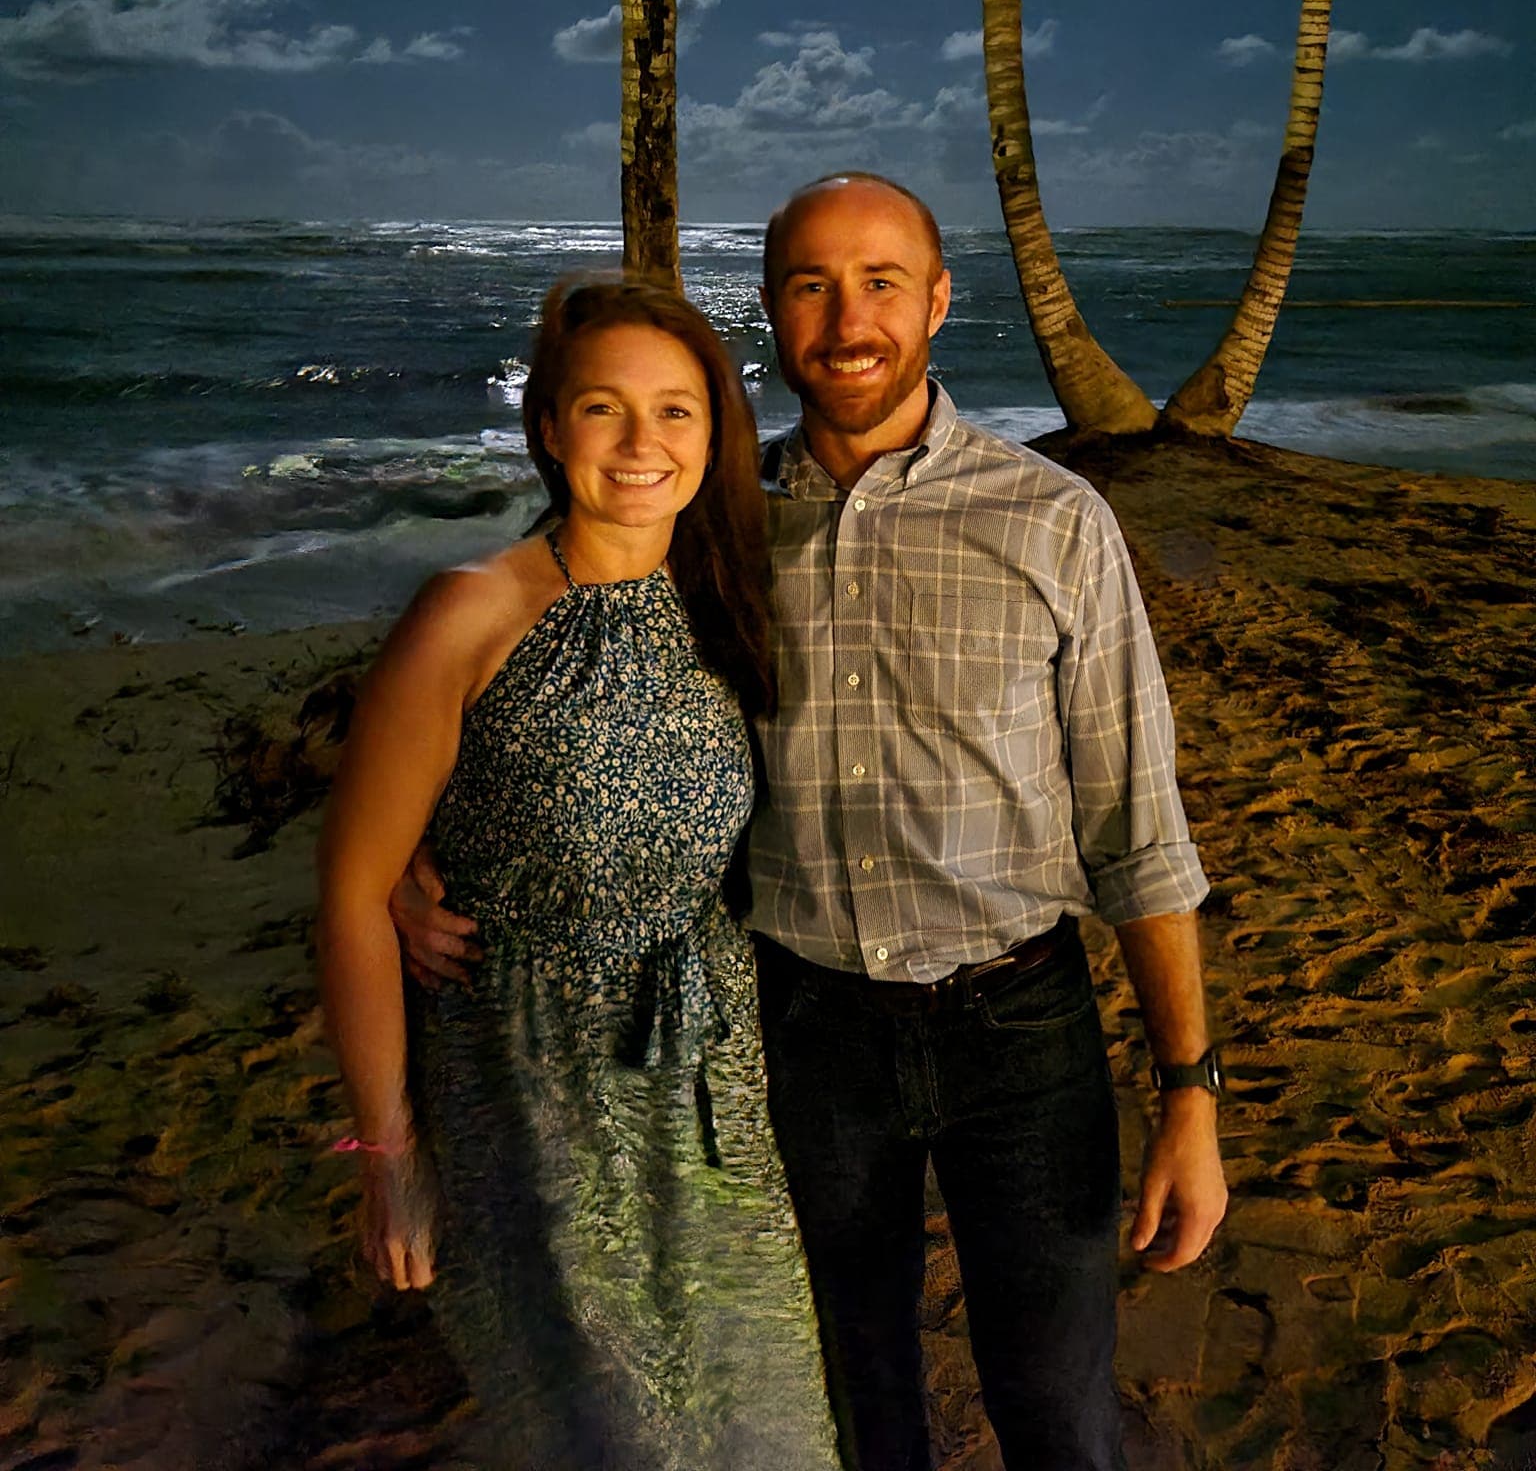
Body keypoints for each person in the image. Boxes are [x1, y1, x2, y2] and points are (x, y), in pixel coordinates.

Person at [396, 176, 1228, 1471]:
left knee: (1059, 1407)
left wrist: (1190, 1091)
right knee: (854, 1397)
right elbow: (523, 667)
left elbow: (1140, 828)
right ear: (774, 310)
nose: (849, 320)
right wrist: (411, 853)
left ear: (939, 301)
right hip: (801, 1031)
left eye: (882, 282)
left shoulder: (1057, 521)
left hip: (1021, 1028)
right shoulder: (708, 521)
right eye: (810, 285)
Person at [317, 275, 839, 1471]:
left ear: (715, 430)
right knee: (602, 1426)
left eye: (675, 409)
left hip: (708, 1079)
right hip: (528, 1082)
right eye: (605, 407)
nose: (643, 441)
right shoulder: (470, 611)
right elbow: (349, 889)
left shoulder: (725, 594)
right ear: (550, 427)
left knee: (762, 1412)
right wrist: (386, 1155)